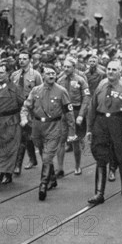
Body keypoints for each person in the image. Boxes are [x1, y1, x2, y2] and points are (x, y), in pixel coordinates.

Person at [21, 65, 77, 200]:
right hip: (38, 127)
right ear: (43, 76)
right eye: (48, 73)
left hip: (54, 126)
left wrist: (71, 132)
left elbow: (69, 113)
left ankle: (43, 185)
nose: (51, 76)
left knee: (47, 156)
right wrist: (23, 118)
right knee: (43, 153)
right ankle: (52, 178)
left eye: (53, 73)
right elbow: (26, 106)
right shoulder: (35, 90)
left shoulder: (61, 91)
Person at [86, 60, 122, 203]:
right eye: (108, 69)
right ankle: (99, 193)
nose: (110, 72)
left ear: (120, 71)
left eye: (114, 69)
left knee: (121, 155)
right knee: (100, 158)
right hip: (101, 123)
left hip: (118, 122)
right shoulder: (101, 85)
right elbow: (92, 107)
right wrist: (89, 129)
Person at [56, 57, 90, 176]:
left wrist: (81, 115)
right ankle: (60, 168)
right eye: (64, 66)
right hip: (63, 113)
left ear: (74, 67)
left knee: (75, 140)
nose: (65, 69)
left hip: (75, 112)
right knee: (60, 140)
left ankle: (77, 166)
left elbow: (86, 98)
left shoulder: (81, 80)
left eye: (68, 67)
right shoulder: (59, 80)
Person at [10, 52, 42, 175]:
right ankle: (28, 161)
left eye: (24, 59)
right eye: (20, 59)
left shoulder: (36, 75)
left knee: (25, 135)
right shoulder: (15, 75)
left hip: (30, 108)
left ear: (30, 60)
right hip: (17, 108)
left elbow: (40, 92)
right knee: (24, 135)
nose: (22, 61)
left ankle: (20, 164)